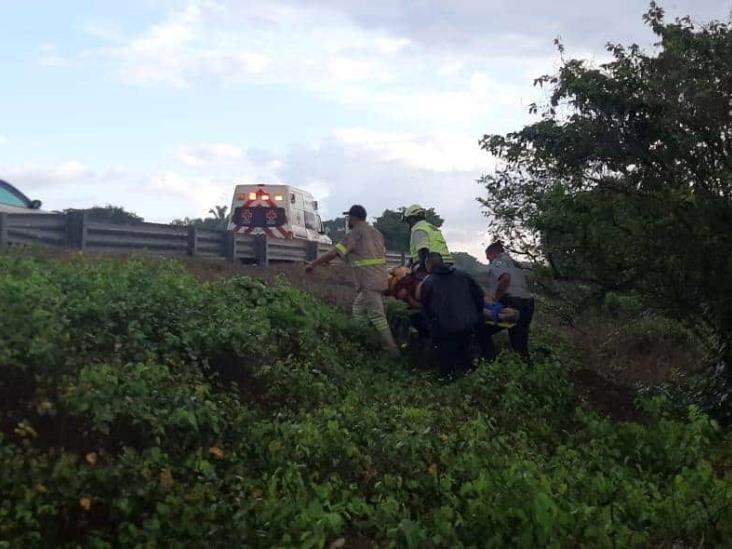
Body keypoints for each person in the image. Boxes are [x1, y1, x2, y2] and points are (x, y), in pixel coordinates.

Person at [306, 205, 399, 358]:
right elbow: (365, 255)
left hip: (368, 282)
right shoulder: (376, 233)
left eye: (349, 217)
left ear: (354, 217)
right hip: (381, 279)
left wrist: (313, 264)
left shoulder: (355, 233)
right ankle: (361, 340)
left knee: (377, 316)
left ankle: (392, 351)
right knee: (358, 309)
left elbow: (335, 252)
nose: (348, 220)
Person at [419, 252, 489, 378]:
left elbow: (425, 308)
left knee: (446, 360)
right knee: (465, 355)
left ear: (429, 265)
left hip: (445, 329)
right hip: (468, 325)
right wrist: (476, 314)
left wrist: (432, 327)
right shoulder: (463, 275)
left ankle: (447, 377)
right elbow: (479, 294)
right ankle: (468, 375)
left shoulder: (429, 282)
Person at [484, 241, 535, 360]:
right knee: (520, 344)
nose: (489, 261)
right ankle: (526, 367)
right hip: (528, 303)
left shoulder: (499, 261)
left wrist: (496, 298)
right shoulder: (515, 263)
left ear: (493, 253)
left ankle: (489, 360)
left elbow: (505, 278)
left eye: (488, 258)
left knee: (483, 330)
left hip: (512, 303)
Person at [401, 204, 453, 275]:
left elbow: (423, 251)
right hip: (447, 263)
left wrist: (421, 271)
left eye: (407, 221)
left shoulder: (419, 230)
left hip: (433, 264)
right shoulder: (432, 228)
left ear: (412, 219)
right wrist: (410, 262)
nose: (408, 225)